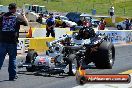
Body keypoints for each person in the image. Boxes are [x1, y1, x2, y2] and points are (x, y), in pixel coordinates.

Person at [0, 3, 28, 81]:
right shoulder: (18, 16)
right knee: (12, 59)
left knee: (0, 59)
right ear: (15, 8)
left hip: (2, 41)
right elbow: (26, 24)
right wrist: (24, 15)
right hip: (12, 41)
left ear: (8, 8)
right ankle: (12, 76)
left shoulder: (2, 16)